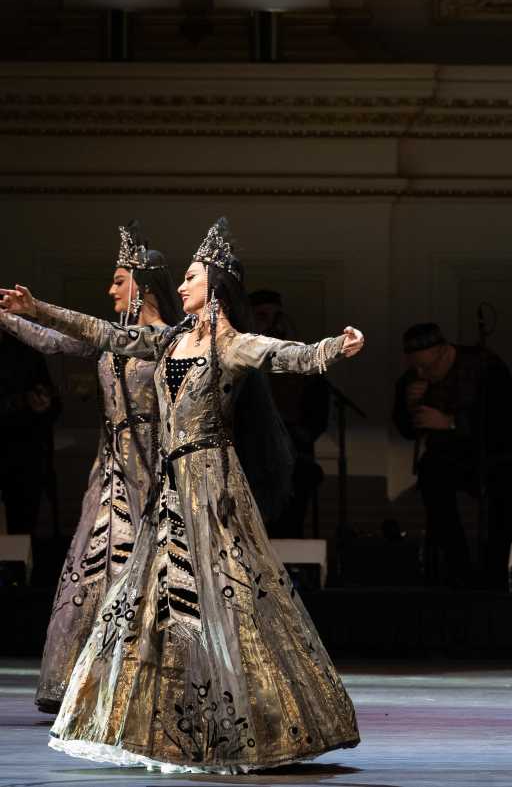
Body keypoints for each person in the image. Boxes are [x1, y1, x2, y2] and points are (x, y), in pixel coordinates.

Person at [0, 218, 362, 773]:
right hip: (169, 487)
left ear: (215, 290)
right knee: (152, 603)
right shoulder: (167, 339)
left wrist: (335, 347)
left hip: (213, 486)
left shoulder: (232, 345)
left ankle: (256, 721)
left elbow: (288, 356)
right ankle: (166, 723)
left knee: (231, 599)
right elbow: (101, 333)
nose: (182, 285)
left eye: (192, 277)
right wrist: (36, 309)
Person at [1, 221, 183, 713]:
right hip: (110, 473)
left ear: (144, 286)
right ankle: (78, 682)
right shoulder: (109, 337)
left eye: (119, 281)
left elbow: (88, 330)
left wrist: (37, 307)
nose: (110, 290)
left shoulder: (170, 340)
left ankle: (144, 681)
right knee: (90, 570)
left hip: (157, 471)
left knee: (150, 573)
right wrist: (8, 318)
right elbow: (54, 341)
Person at [393, 322, 512, 587]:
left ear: (444, 352)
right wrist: (410, 406)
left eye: (427, 367)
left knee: (506, 487)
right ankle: (458, 568)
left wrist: (451, 422)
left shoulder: (484, 366)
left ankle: (496, 572)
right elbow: (407, 430)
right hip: (447, 456)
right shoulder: (414, 378)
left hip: (493, 452)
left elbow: (505, 417)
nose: (421, 373)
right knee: (431, 475)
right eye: (416, 366)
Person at [249, 289, 329, 539]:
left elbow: (317, 416)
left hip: (291, 455)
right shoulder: (239, 359)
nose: (272, 324)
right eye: (262, 317)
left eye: (276, 317)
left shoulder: (300, 364)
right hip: (249, 456)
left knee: (301, 477)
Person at [0, 323, 59, 537]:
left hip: (24, 456)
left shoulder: (24, 351)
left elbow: (53, 402)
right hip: (15, 447)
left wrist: (44, 402)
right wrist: (20, 402)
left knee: (22, 528)